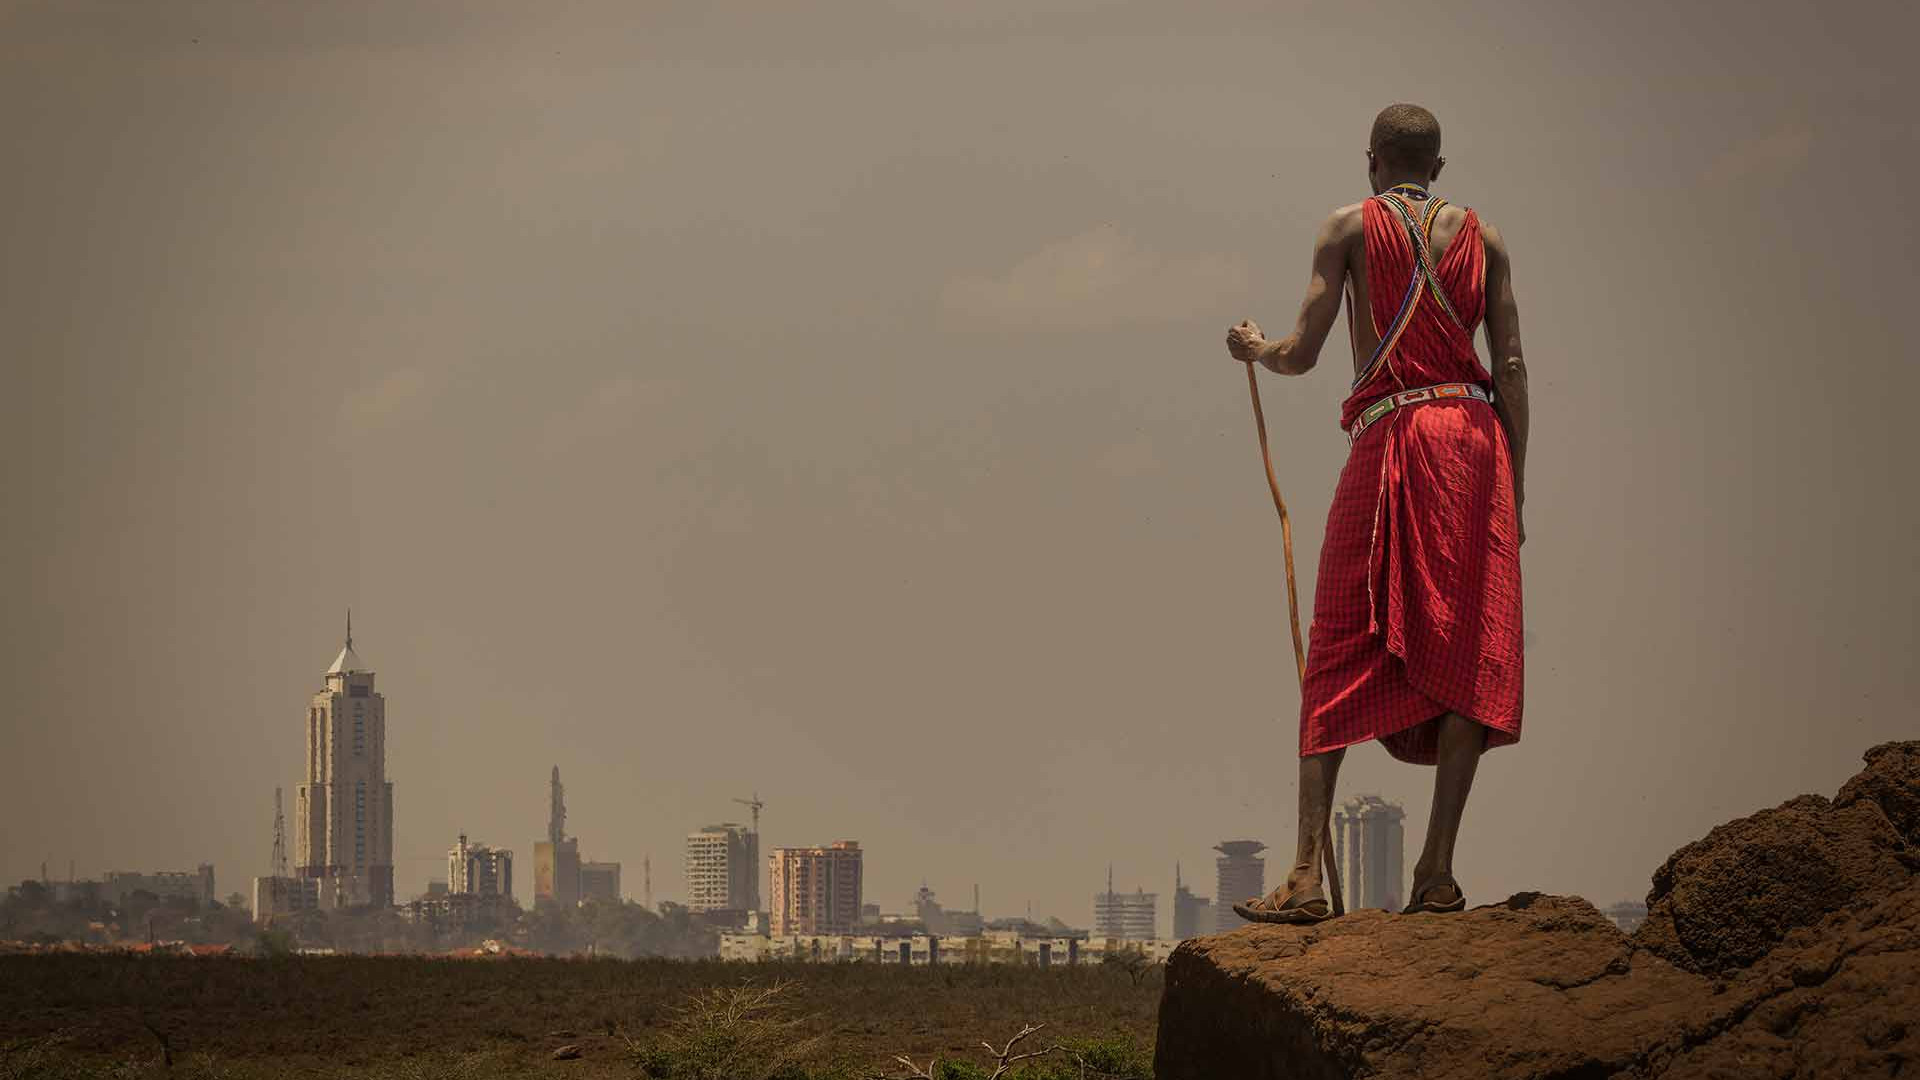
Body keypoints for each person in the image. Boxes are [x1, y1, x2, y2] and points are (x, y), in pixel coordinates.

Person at [1224, 103, 1529, 922]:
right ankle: (1436, 873)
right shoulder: (1488, 240)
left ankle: (1304, 877)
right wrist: (1518, 486)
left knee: (1337, 636)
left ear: (1372, 161)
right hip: (1475, 446)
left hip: (1393, 434)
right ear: (1438, 167)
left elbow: (1302, 353)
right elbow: (1511, 366)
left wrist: (1255, 348)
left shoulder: (1348, 228)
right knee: (1470, 647)